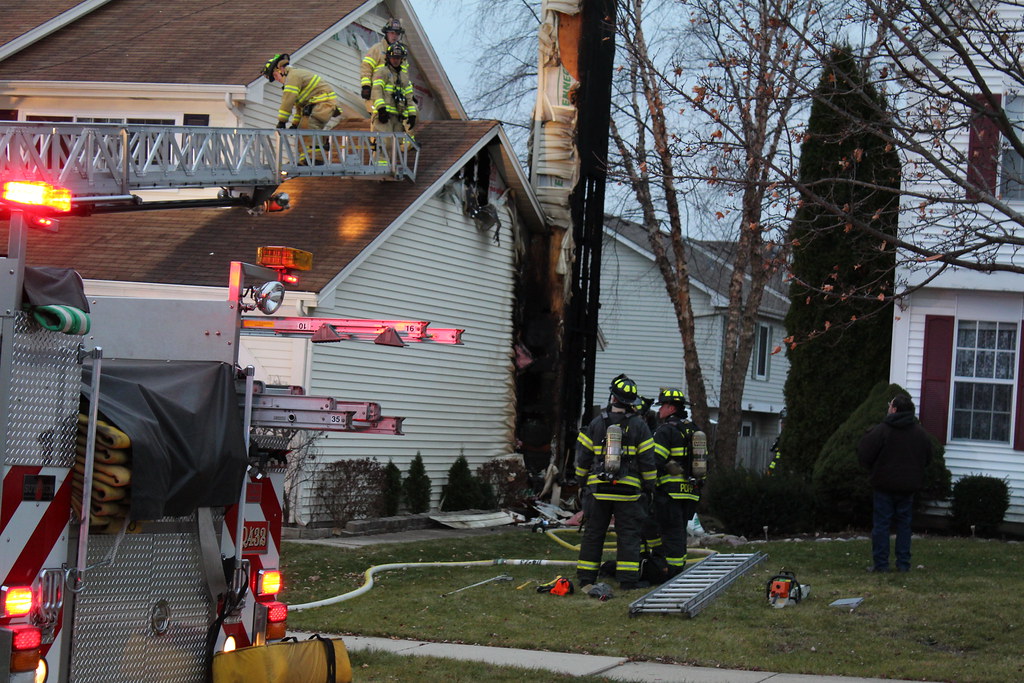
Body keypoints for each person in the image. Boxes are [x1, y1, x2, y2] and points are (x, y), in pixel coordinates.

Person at [573, 374, 657, 592]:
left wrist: (581, 482)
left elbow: (583, 459)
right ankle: (628, 581)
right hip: (628, 492)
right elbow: (648, 462)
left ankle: (585, 578)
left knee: (593, 533)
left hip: (598, 490)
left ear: (612, 397)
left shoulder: (595, 423)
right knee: (628, 535)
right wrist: (649, 486)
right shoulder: (640, 425)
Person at [857, 394, 933, 573]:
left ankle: (881, 564)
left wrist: (873, 470)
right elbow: (928, 458)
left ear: (894, 409)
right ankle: (903, 564)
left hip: (883, 485)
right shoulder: (920, 433)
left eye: (890, 405)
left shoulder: (881, 430)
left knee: (882, 525)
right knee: (904, 525)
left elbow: (864, 453)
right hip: (908, 487)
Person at [650, 388, 702, 577]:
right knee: (679, 531)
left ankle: (672, 571)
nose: (660, 410)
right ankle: (677, 567)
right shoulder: (694, 429)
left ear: (671, 407)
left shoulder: (665, 430)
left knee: (671, 533)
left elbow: (656, 460)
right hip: (689, 491)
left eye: (662, 406)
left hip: (670, 492)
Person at [261, 53, 339, 164]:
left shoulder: (293, 77)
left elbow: (288, 101)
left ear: (281, 69)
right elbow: (299, 108)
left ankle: (316, 159)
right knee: (302, 129)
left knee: (310, 127)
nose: (277, 80)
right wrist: (295, 124)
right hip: (314, 105)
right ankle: (306, 158)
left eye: (275, 75)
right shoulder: (294, 77)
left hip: (324, 104)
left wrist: (282, 121)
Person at [361, 18, 408, 112]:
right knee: (378, 121)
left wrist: (408, 94)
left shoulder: (401, 54)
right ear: (386, 33)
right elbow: (366, 67)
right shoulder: (377, 49)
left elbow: (404, 76)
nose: (394, 36)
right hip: (377, 93)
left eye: (397, 33)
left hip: (394, 97)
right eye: (392, 33)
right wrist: (366, 86)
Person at [767, 408, 786, 475]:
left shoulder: (789, 436)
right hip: (778, 462)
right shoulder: (781, 437)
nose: (782, 424)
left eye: (784, 422)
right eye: (781, 422)